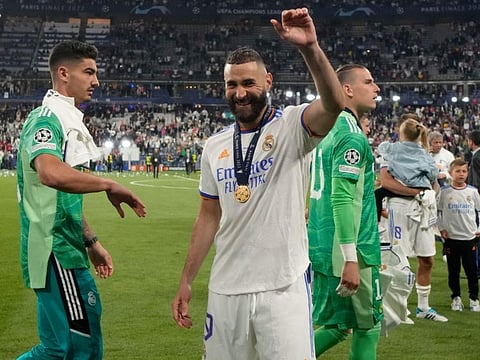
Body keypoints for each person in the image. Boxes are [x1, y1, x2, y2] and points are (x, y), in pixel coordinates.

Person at [171, 8, 344, 359]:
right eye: (232, 84)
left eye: (248, 83)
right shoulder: (215, 145)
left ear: (268, 82)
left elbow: (334, 103)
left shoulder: (293, 127)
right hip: (225, 289)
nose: (240, 93)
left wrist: (310, 47)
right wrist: (187, 280)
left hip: (282, 288)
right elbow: (208, 217)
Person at [16, 40, 147, 360]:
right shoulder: (46, 119)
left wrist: (90, 241)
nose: (96, 81)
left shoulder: (65, 118)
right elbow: (49, 172)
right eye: (88, 72)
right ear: (64, 74)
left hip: (64, 247)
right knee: (79, 348)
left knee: (57, 349)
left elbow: (62, 194)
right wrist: (107, 184)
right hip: (53, 249)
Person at [308, 63, 383, 359]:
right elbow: (341, 198)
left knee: (339, 325)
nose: (376, 88)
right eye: (369, 81)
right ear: (347, 90)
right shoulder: (351, 135)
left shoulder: (325, 129)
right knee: (368, 326)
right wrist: (351, 259)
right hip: (354, 249)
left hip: (323, 246)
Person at [380, 124, 448, 322]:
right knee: (397, 259)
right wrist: (416, 192)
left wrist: (429, 195)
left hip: (422, 210)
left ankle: (423, 307)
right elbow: (386, 182)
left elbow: (434, 184)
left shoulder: (425, 155)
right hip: (399, 207)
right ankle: (397, 309)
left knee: (427, 258)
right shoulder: (390, 152)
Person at [374, 115, 439, 222]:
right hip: (422, 192)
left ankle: (375, 222)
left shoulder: (392, 149)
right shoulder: (424, 153)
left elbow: (382, 148)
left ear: (400, 131)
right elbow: (433, 175)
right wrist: (423, 191)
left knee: (378, 194)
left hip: (399, 200)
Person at [437, 159, 480, 312]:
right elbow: (438, 212)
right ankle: (456, 298)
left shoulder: (472, 192)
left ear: (467, 173)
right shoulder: (444, 192)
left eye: (464, 171)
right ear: (451, 173)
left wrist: (479, 227)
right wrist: (441, 228)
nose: (461, 174)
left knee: (471, 271)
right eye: (458, 171)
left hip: (469, 237)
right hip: (451, 238)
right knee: (453, 271)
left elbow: (479, 211)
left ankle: (474, 299)